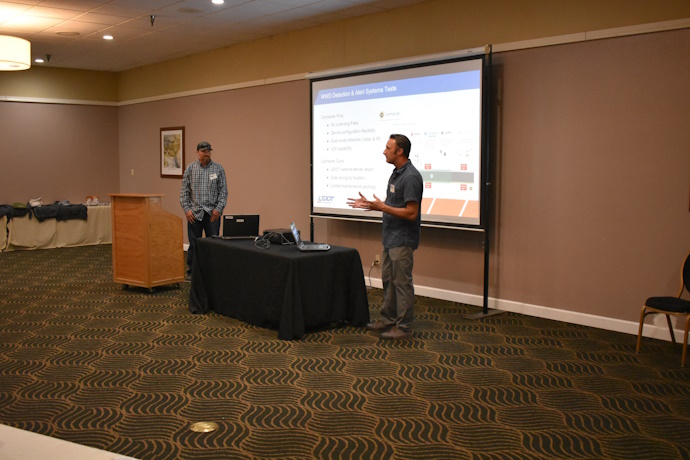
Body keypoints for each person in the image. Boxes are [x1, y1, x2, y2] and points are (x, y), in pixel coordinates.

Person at [347, 134, 423, 339]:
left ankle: (404, 327)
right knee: (389, 281)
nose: (384, 151)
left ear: (400, 151)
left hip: (403, 239)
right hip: (390, 238)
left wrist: (383, 206)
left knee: (402, 283)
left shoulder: (411, 177)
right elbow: (392, 207)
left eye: (388, 148)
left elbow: (411, 212)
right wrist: (373, 206)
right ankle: (389, 320)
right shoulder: (396, 174)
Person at [180, 141, 228, 281]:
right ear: (197, 153)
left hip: (212, 214)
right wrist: (187, 210)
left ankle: (212, 272)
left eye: (208, 151)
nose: (207, 153)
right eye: (204, 151)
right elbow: (184, 192)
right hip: (194, 214)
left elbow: (223, 192)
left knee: (212, 244)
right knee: (194, 245)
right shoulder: (190, 169)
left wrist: (218, 210)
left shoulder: (218, 169)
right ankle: (192, 272)